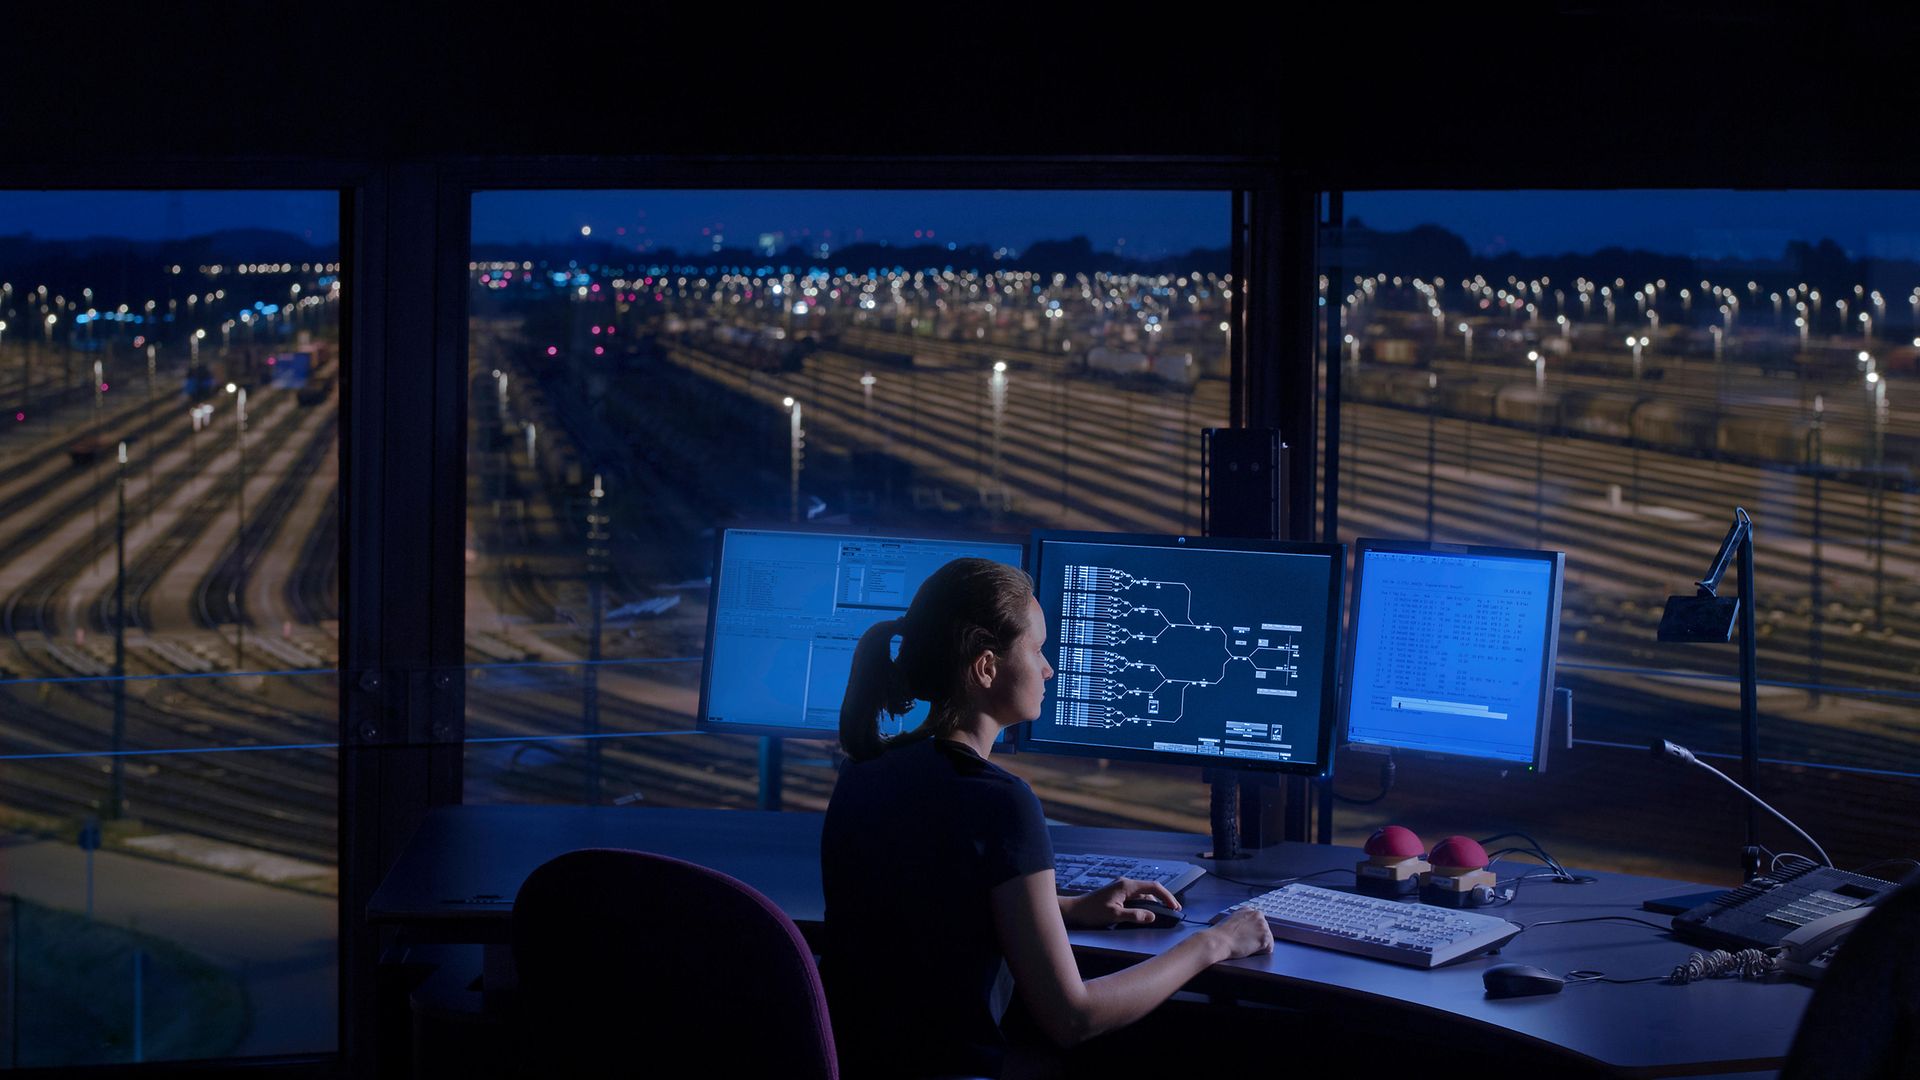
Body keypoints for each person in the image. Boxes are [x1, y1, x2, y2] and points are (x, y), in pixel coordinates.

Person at [820, 557, 1273, 1079]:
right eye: (1036, 650)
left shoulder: (863, 773)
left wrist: (1069, 907)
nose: (1049, 669)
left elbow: (932, 906)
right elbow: (1073, 1018)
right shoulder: (1001, 801)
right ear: (986, 667)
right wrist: (1212, 943)